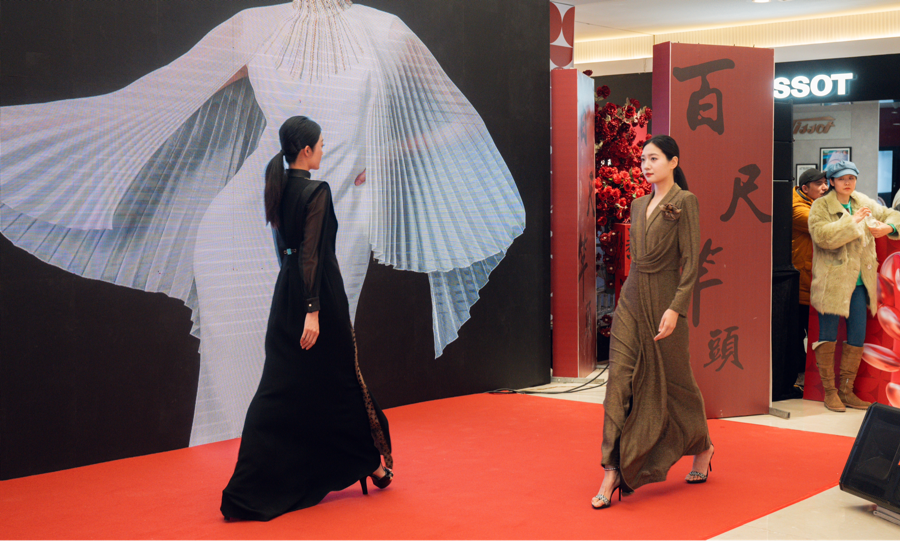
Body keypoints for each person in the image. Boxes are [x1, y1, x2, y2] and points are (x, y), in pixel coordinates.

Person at [0, 0, 525, 446]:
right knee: (237, 371)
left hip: (337, 222)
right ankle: (248, 472)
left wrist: (384, 157)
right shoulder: (254, 25)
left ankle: (308, 469)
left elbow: (458, 122)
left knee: (320, 354)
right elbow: (157, 98)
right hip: (243, 225)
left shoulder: (385, 32)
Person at [221, 117, 393, 521]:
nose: (323, 151)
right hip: (318, 299)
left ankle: (365, 464)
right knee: (339, 384)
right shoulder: (317, 190)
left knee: (284, 390)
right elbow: (312, 253)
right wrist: (312, 311)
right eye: (320, 144)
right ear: (305, 150)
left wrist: (297, 299)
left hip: (287, 292)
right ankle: (369, 463)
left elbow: (288, 252)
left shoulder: (278, 187)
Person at [592, 135, 713, 510]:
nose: (646, 165)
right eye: (643, 159)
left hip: (665, 301)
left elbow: (691, 263)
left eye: (654, 158)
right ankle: (612, 468)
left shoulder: (685, 201)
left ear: (673, 162)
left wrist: (676, 308)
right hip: (632, 298)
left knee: (677, 383)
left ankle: (703, 447)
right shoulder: (638, 203)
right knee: (618, 379)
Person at [808, 160, 900, 412]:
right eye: (841, 178)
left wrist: (888, 226)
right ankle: (830, 393)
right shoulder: (821, 206)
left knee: (857, 337)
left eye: (851, 178)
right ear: (831, 181)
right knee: (827, 336)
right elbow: (823, 237)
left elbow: (895, 214)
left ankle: (846, 391)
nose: (847, 183)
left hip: (861, 282)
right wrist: (852, 221)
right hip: (832, 282)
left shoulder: (862, 201)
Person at [791, 168, 829, 391]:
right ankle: (800, 378)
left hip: (814, 281)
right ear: (805, 188)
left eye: (825, 183)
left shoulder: (815, 203)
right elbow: (822, 228)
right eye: (819, 184)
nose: (825, 187)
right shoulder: (797, 209)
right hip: (802, 283)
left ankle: (811, 379)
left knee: (815, 333)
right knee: (799, 335)